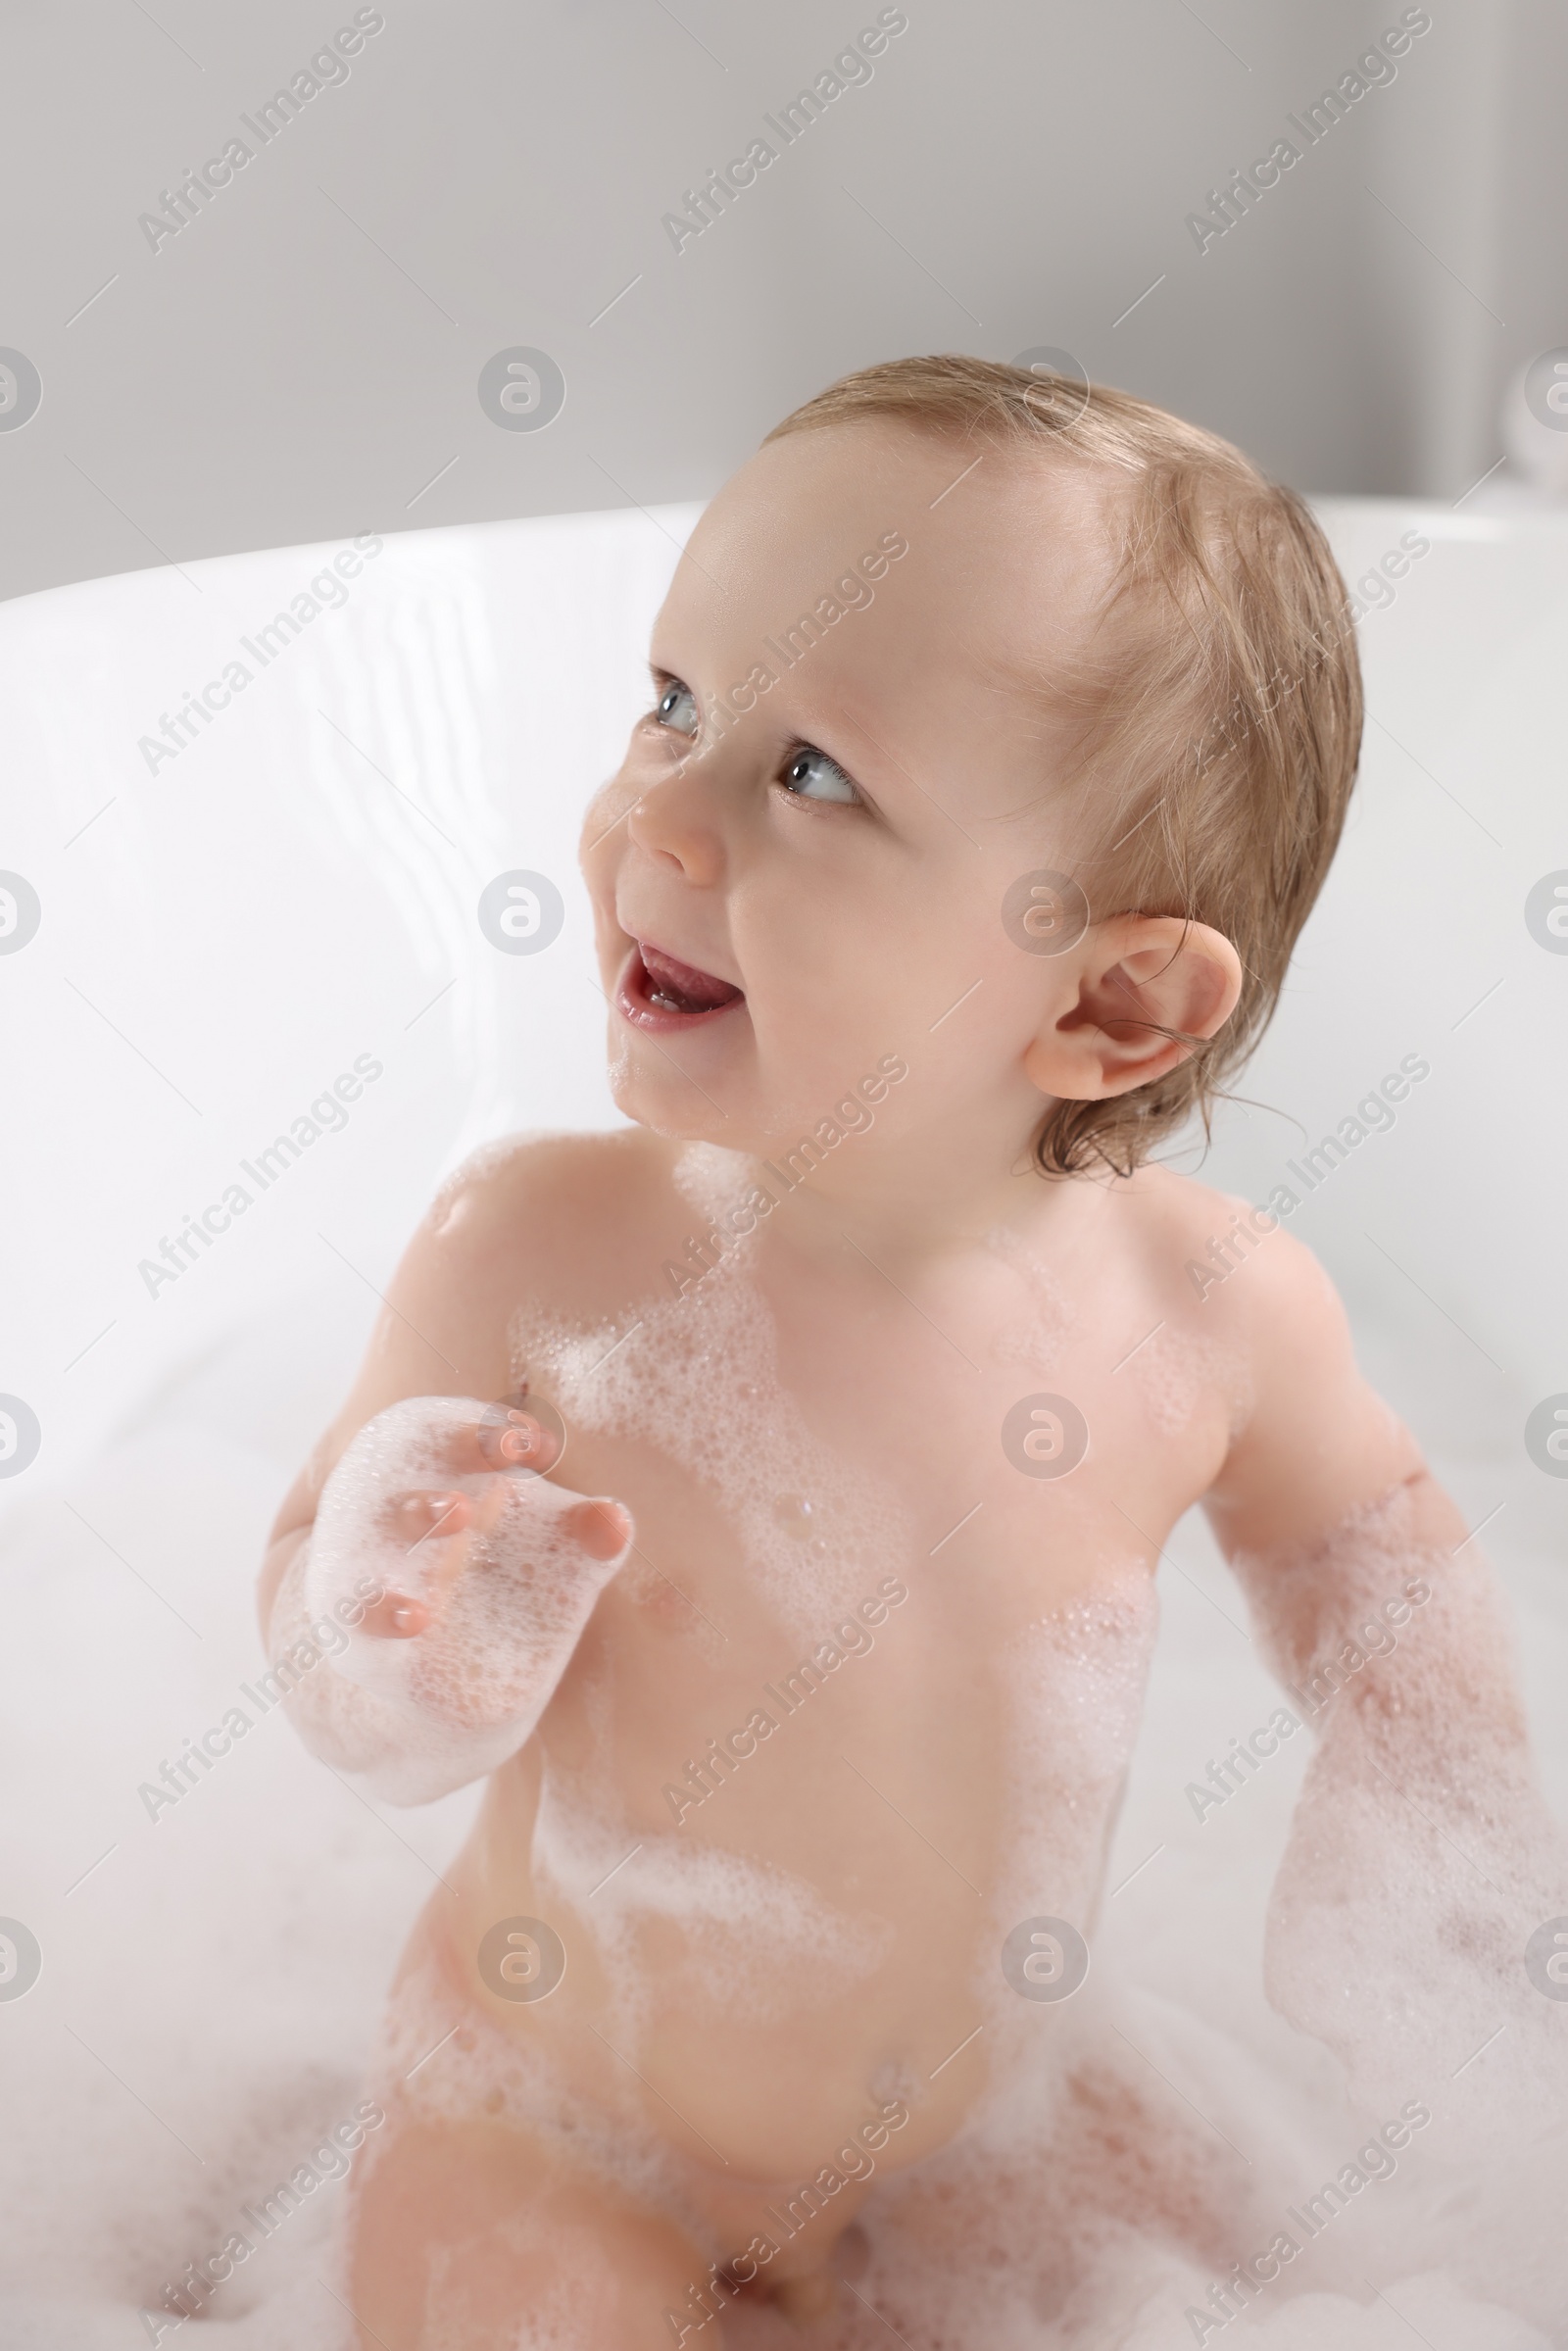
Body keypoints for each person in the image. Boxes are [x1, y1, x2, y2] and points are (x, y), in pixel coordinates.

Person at [257, 356, 1566, 2349]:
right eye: (671, 702)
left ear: (1114, 1003)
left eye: (808, 777)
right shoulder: (536, 1245)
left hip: (974, 2137)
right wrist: (389, 1637)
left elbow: (1362, 1543)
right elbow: (320, 1615)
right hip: (550, 2134)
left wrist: (1429, 1822)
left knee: (1281, 2261)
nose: (657, 814)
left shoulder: (1203, 1310)